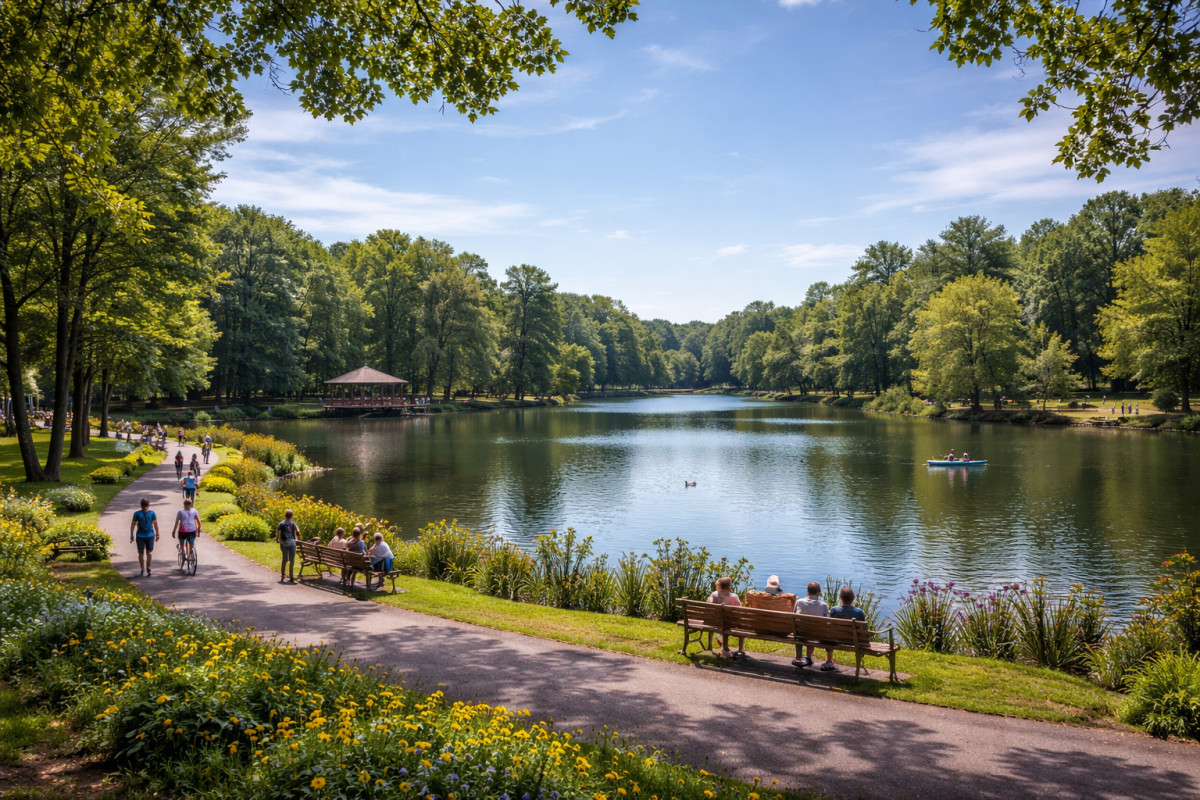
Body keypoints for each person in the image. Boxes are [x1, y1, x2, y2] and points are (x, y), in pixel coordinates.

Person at [826, 586, 868, 671]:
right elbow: (864, 630)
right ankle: (858, 664)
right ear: (853, 598)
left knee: (828, 635)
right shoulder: (859, 612)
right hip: (854, 641)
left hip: (835, 639)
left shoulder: (834, 610)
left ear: (840, 598)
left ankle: (829, 660)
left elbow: (830, 627)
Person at [792, 581, 830, 668]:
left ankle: (799, 657)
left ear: (808, 591)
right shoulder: (824, 605)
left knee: (802, 630)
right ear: (818, 593)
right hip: (817, 635)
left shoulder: (799, 602)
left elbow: (794, 616)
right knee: (813, 629)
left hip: (801, 634)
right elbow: (828, 622)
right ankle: (808, 657)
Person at [706, 576, 742, 658]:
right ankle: (739, 648)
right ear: (729, 586)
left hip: (714, 622)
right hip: (729, 624)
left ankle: (715, 642)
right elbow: (740, 611)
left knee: (721, 622)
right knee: (729, 623)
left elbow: (708, 605)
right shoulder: (734, 597)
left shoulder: (714, 594)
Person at [129, 498, 160, 577]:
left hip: (147, 535)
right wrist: (131, 535)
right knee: (143, 553)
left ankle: (146, 568)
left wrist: (157, 534)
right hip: (143, 535)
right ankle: (144, 568)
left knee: (146, 553)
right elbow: (133, 524)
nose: (145, 508)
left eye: (145, 506)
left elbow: (155, 524)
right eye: (144, 506)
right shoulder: (139, 514)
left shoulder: (150, 513)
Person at [172, 497, 202, 563]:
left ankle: (183, 552)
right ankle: (190, 555)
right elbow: (198, 521)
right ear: (191, 504)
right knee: (191, 544)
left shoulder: (180, 512)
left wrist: (173, 531)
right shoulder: (194, 511)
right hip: (192, 531)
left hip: (183, 531)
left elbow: (177, 522)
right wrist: (199, 530)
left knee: (182, 544)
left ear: (184, 504)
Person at [276, 509, 300, 583]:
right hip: (292, 544)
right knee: (292, 560)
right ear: (292, 516)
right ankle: (291, 577)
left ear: (285, 515)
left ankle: (283, 575)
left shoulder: (281, 524)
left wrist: (280, 542)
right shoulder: (293, 523)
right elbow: (298, 531)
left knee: (285, 559)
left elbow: (279, 534)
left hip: (284, 544)